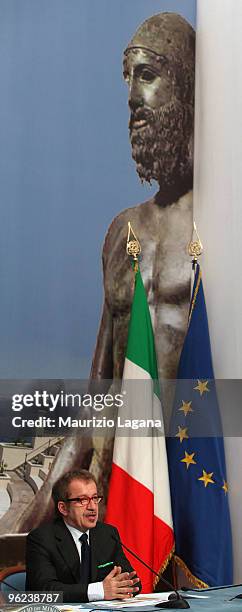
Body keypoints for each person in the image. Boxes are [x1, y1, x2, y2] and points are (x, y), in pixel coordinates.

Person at [15, 11, 195, 532]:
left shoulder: (224, 224)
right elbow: (99, 393)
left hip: (197, 477)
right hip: (124, 490)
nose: (133, 96)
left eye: (148, 74)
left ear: (182, 83)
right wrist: (30, 520)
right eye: (128, 78)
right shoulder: (124, 233)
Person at [25, 469, 141, 603]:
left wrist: (123, 586)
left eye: (95, 498)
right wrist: (99, 591)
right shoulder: (42, 539)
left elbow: (132, 583)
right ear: (63, 508)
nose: (92, 507)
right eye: (83, 500)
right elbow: (43, 591)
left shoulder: (108, 534)